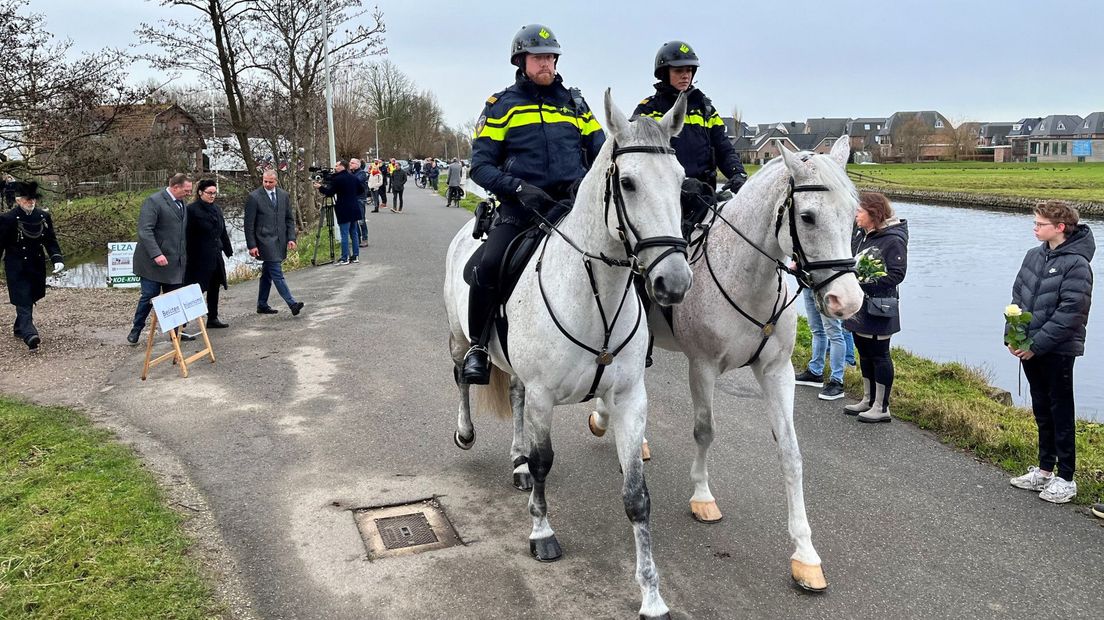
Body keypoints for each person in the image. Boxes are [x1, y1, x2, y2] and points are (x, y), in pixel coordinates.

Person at [461, 23, 605, 383]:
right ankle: (479, 347)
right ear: (521, 61)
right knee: (488, 266)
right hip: (522, 209)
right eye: (539, 58)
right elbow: (480, 166)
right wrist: (518, 188)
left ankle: (633, 341)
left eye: (551, 58)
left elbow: (601, 155)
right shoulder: (501, 106)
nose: (547, 64)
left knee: (623, 258)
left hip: (574, 208)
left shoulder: (576, 104)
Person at [1007, 200, 1094, 504]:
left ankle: (1066, 477)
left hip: (1057, 350)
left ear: (1060, 228)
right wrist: (1014, 337)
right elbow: (1018, 296)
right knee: (1041, 409)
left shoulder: (1077, 265)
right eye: (1035, 223)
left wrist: (1037, 345)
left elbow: (1072, 312)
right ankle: (1044, 470)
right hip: (1029, 348)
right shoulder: (1034, 256)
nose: (1035, 228)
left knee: (1060, 411)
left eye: (1040, 224)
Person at [633, 40, 747, 228]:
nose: (685, 76)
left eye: (689, 70)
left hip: (703, 197)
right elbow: (636, 158)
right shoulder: (648, 109)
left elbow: (724, 149)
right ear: (664, 73)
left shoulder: (706, 109)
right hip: (663, 199)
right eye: (679, 71)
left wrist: (738, 174)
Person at [841, 192, 908, 423]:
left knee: (880, 355)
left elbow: (897, 275)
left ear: (874, 213)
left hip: (880, 305)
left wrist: (867, 282)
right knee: (864, 352)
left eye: (859, 211)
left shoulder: (893, 239)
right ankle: (867, 399)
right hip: (861, 304)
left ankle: (882, 406)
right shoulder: (862, 235)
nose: (856, 216)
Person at [128, 173, 191, 345]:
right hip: (152, 263)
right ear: (175, 187)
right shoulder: (154, 201)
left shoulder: (182, 204)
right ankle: (136, 329)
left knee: (174, 298)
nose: (188, 193)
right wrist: (156, 254)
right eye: (186, 190)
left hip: (174, 262)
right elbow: (145, 231)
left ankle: (176, 333)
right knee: (150, 295)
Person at [0, 181, 63, 351]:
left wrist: (57, 259)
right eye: (27, 200)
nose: (31, 203)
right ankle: (29, 334)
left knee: (32, 295)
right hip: (16, 265)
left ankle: (19, 328)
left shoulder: (42, 217)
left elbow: (50, 241)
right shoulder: (7, 219)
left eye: (33, 200)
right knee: (23, 298)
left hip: (36, 264)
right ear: (19, 200)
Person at [244, 170, 304, 316]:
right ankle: (292, 304)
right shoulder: (254, 197)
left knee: (267, 274)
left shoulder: (283, 195)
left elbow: (289, 219)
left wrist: (291, 238)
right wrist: (252, 245)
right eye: (265, 181)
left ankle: (262, 304)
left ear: (276, 181)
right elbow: (249, 224)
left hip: (280, 240)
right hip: (264, 241)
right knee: (276, 272)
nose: (267, 184)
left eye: (270, 182)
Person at [183, 180, 233, 328]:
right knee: (194, 289)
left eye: (214, 193)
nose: (212, 196)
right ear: (200, 192)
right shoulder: (191, 210)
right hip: (198, 256)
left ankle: (212, 317)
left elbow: (222, 230)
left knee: (214, 286)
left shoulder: (217, 209)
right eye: (209, 193)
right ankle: (182, 324)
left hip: (215, 254)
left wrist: (227, 249)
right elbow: (186, 234)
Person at [795, 287, 848, 400]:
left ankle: (837, 381)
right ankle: (815, 372)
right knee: (817, 330)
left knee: (834, 334)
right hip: (808, 286)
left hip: (826, 287)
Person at [315, 160, 361, 265]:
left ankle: (345, 258)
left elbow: (330, 192)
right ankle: (355, 256)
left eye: (336, 165)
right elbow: (361, 190)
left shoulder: (337, 179)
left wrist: (320, 187)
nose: (335, 167)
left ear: (342, 167)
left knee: (344, 234)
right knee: (354, 233)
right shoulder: (353, 177)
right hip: (354, 207)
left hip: (343, 209)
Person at [349, 158, 369, 247]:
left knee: (361, 219)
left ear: (358, 164)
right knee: (354, 220)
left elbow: (356, 181)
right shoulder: (350, 173)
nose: (350, 164)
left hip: (360, 198)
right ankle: (357, 238)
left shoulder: (361, 173)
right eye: (350, 163)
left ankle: (365, 238)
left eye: (352, 163)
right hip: (352, 198)